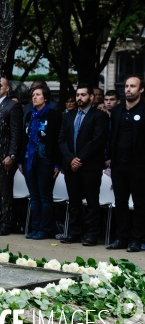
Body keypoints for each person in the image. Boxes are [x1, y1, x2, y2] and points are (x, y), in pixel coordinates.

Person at [58, 83, 108, 245]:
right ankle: (74, 232)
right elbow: (62, 139)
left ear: (91, 97)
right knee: (74, 201)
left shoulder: (100, 116)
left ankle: (92, 233)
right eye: (78, 95)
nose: (79, 98)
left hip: (90, 166)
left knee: (92, 201)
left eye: (83, 95)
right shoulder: (68, 116)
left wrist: (79, 159)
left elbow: (97, 140)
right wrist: (70, 158)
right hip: (70, 165)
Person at [18, 85, 62, 240]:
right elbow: (24, 139)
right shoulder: (29, 114)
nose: (34, 97)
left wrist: (57, 163)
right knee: (34, 196)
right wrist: (20, 161)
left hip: (46, 161)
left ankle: (45, 228)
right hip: (30, 160)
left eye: (38, 94)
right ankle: (35, 227)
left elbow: (57, 141)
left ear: (45, 97)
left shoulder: (54, 115)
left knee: (45, 196)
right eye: (33, 95)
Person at [107, 76, 145, 252]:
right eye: (126, 86)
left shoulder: (144, 110)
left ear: (141, 89)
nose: (128, 89)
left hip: (139, 165)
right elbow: (111, 135)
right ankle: (121, 237)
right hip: (118, 164)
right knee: (120, 202)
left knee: (139, 203)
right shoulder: (117, 111)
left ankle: (136, 239)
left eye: (133, 86)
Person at [0, 77, 23, 236]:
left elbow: (16, 133)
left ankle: (6, 223)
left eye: (0, 85)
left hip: (5, 156)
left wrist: (12, 155)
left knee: (4, 191)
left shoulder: (13, 106)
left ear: (7, 89)